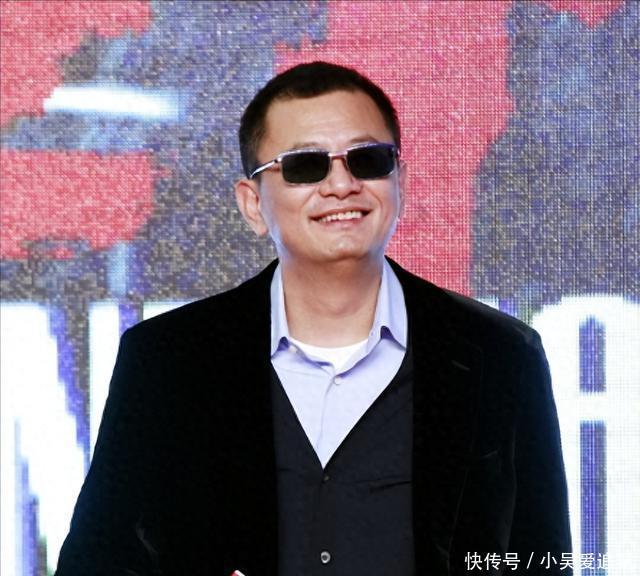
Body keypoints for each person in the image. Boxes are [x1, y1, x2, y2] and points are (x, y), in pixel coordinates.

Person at [55, 61, 571, 576]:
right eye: (305, 166)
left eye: (368, 160)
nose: (342, 184)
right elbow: (99, 562)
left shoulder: (501, 355)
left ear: (401, 182)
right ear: (252, 204)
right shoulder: (168, 360)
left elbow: (541, 561)